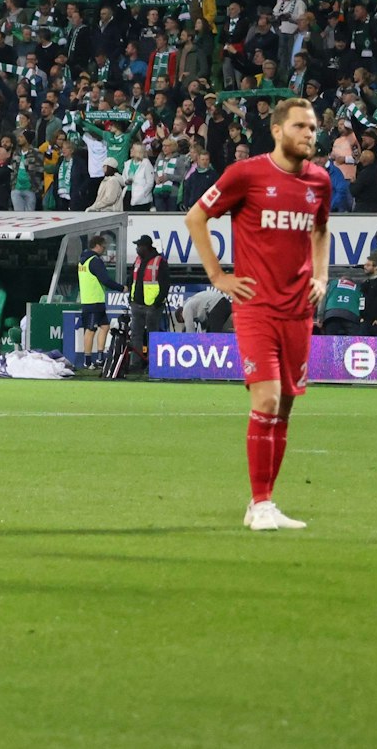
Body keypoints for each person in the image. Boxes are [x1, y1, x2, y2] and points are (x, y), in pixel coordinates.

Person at [186, 97, 328, 532]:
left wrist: (321, 275)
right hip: (255, 307)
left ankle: (262, 502)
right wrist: (218, 276)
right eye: (301, 126)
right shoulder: (246, 174)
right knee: (265, 400)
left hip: (298, 311)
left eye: (313, 127)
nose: (309, 133)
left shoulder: (319, 181)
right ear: (278, 130)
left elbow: (321, 230)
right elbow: (196, 217)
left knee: (283, 408)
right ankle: (262, 504)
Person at [75, 234, 125, 368]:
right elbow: (105, 280)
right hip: (94, 301)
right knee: (90, 330)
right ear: (97, 246)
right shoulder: (95, 261)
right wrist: (121, 288)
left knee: (104, 327)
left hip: (90, 299)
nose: (104, 249)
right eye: (103, 247)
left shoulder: (82, 261)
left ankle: (100, 358)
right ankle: (87, 361)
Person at [119, 234, 164, 379]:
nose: (137, 248)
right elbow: (131, 279)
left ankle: (153, 364)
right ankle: (136, 364)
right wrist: (131, 299)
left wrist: (157, 303)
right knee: (136, 335)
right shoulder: (137, 260)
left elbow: (165, 285)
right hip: (137, 304)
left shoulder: (159, 261)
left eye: (139, 246)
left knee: (153, 336)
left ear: (146, 247)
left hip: (152, 306)